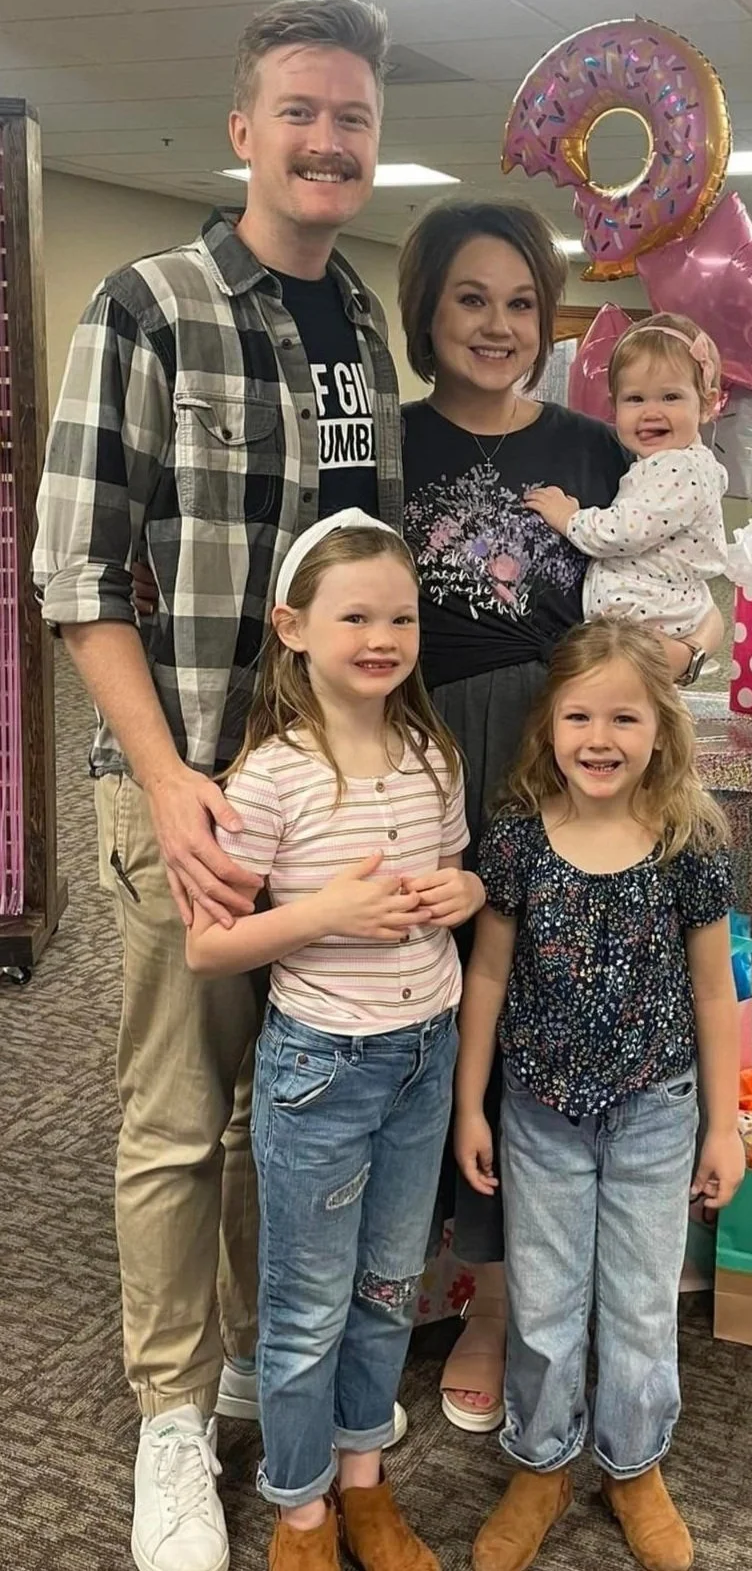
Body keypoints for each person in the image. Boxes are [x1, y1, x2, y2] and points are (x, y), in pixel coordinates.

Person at [32, 0, 406, 1571]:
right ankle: (171, 1420)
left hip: (325, 800)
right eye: (298, 112)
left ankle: (261, 1356)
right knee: (180, 1122)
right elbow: (73, 575)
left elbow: (370, 579)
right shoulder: (146, 304)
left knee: (290, 1105)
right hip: (182, 786)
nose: (328, 140)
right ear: (244, 130)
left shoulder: (366, 326)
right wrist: (170, 782)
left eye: (352, 118)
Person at [396, 200, 725, 1434]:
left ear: (550, 319)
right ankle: (404, 1268)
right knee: (429, 1002)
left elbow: (697, 585)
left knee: (538, 1012)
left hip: (567, 755)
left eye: (522, 302)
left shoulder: (600, 445)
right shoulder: (389, 443)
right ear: (427, 307)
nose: (497, 324)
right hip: (425, 752)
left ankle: (495, 1301)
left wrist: (688, 654)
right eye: (470, 297)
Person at [186, 510, 482, 1571]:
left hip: (423, 1056)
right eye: (355, 616)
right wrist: (327, 914)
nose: (382, 636)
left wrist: (467, 890)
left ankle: (365, 1484)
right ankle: (300, 1509)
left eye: (400, 617)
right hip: (322, 1070)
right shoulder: (271, 775)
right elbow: (209, 945)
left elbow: (456, 876)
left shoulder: (431, 754)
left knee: (390, 1285)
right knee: (308, 1304)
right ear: (293, 626)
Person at [454, 618, 746, 1571]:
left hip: (656, 1112)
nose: (600, 738)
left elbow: (716, 991)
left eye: (625, 717)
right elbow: (487, 975)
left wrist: (725, 1125)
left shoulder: (689, 842)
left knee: (638, 1303)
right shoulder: (517, 839)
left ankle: (633, 1463)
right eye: (580, 715)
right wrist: (469, 1104)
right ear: (549, 725)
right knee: (543, 1302)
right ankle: (541, 1462)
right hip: (539, 1113)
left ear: (661, 727)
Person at [524, 313, 728, 643]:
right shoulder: (663, 464)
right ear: (614, 406)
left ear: (707, 404)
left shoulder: (680, 468)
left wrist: (570, 519)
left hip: (646, 625)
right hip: (645, 617)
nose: (651, 412)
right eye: (635, 399)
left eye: (670, 397)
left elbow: (625, 532)